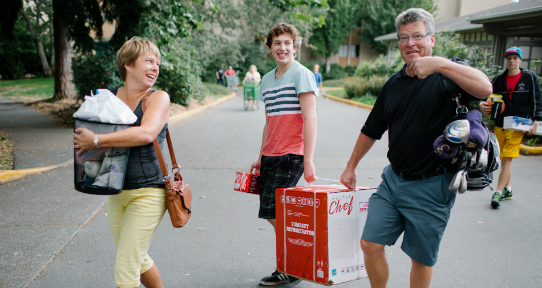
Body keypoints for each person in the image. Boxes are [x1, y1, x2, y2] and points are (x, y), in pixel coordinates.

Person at [339, 8, 492, 288]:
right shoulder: (393, 84)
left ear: (432, 39)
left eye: (418, 36)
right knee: (370, 244)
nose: (410, 43)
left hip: (432, 185)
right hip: (393, 181)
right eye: (404, 37)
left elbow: (484, 88)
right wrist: (351, 167)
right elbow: (371, 129)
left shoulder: (449, 74)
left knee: (420, 259)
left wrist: (439, 65)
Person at [73, 37, 170, 288]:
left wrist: (96, 139)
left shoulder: (158, 98)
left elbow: (146, 133)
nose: (155, 67)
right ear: (128, 64)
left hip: (148, 191)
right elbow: (85, 131)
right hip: (114, 189)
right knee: (138, 260)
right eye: (149, 60)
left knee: (126, 268)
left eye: (157, 63)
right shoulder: (108, 99)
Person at [249, 22, 318, 286]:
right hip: (271, 155)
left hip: (292, 154)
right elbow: (270, 121)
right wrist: (260, 154)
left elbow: (310, 119)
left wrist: (308, 158)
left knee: (276, 211)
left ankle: (292, 265)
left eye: (288, 43)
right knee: (271, 212)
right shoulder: (266, 80)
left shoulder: (302, 74)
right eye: (277, 43)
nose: (282, 47)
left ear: (295, 47)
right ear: (269, 48)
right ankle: (294, 260)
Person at [479, 47, 541, 208]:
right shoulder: (499, 79)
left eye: (515, 58)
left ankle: (497, 193)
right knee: (502, 157)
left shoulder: (529, 78)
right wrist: (482, 105)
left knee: (507, 158)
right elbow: (488, 96)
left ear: (520, 60)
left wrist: (536, 121)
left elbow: (536, 100)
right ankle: (508, 189)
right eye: (509, 58)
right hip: (501, 123)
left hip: (519, 125)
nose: (512, 61)